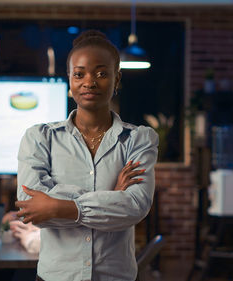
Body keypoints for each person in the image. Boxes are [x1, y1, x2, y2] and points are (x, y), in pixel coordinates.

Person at [15, 30, 158, 281]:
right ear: (69, 80)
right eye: (79, 74)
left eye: (102, 74)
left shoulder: (138, 139)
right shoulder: (40, 138)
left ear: (117, 79)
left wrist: (57, 206)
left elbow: (136, 207)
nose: (89, 82)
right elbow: (32, 210)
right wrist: (113, 198)